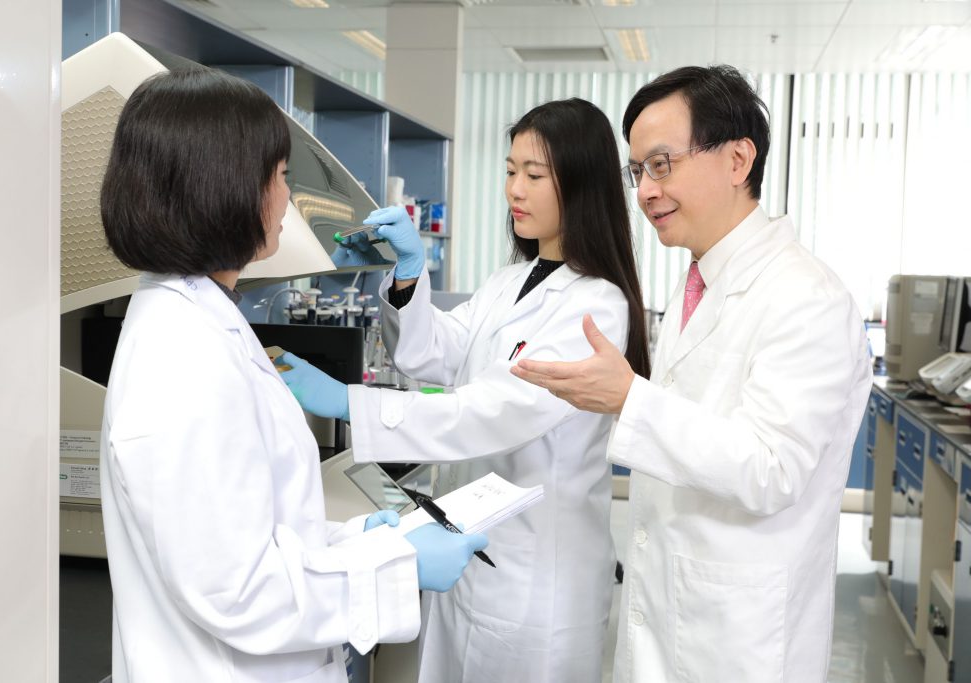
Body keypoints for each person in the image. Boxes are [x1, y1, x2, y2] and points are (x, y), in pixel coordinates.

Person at [97, 68, 487, 683]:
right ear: (227, 188)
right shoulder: (183, 356)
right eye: (281, 177)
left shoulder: (200, 320)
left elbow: (250, 531)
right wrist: (396, 568)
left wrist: (356, 540)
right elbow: (236, 591)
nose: (288, 200)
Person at [511, 66, 873, 683]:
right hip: (670, 610)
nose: (647, 190)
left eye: (662, 163)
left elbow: (771, 468)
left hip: (740, 640)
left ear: (737, 159)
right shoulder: (695, 281)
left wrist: (632, 401)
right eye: (637, 172)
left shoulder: (806, 297)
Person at [280, 98, 651, 682]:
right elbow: (438, 352)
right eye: (509, 171)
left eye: (534, 174)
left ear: (581, 184)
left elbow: (492, 412)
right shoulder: (509, 283)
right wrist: (406, 273)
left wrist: (351, 404)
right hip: (473, 552)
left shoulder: (595, 304)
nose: (515, 190)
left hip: (538, 576)